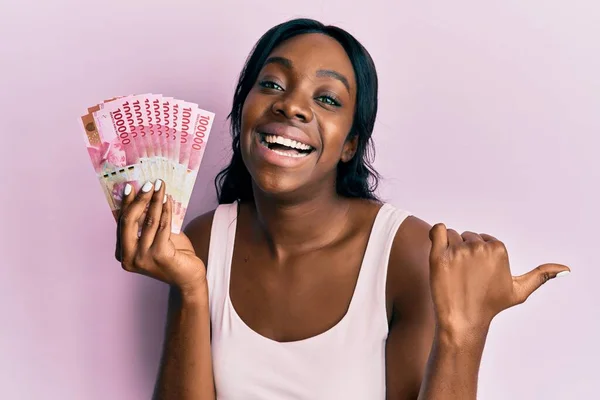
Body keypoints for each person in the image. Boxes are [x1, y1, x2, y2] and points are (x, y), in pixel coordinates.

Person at [114, 18, 570, 400]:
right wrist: (193, 289)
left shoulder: (405, 251)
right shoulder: (205, 239)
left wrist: (464, 333)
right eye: (271, 83)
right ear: (242, 115)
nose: (291, 105)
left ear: (350, 143)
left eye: (327, 99)